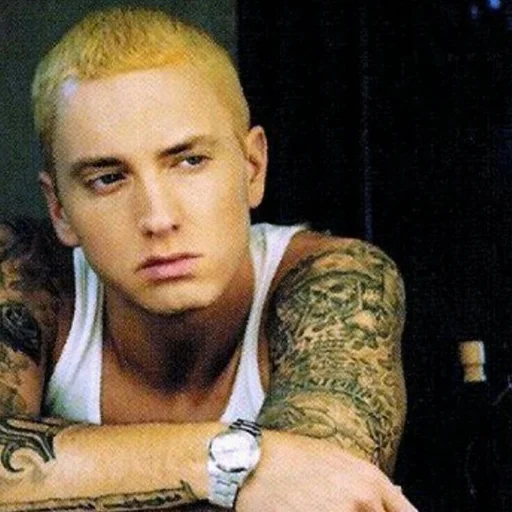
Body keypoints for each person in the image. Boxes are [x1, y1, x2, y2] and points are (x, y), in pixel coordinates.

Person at [0, 7, 416, 511]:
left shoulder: (336, 282)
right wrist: (227, 462)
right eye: (108, 179)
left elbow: (321, 492)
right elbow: (278, 478)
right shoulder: (25, 273)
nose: (158, 218)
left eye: (189, 161)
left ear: (253, 167)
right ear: (60, 210)